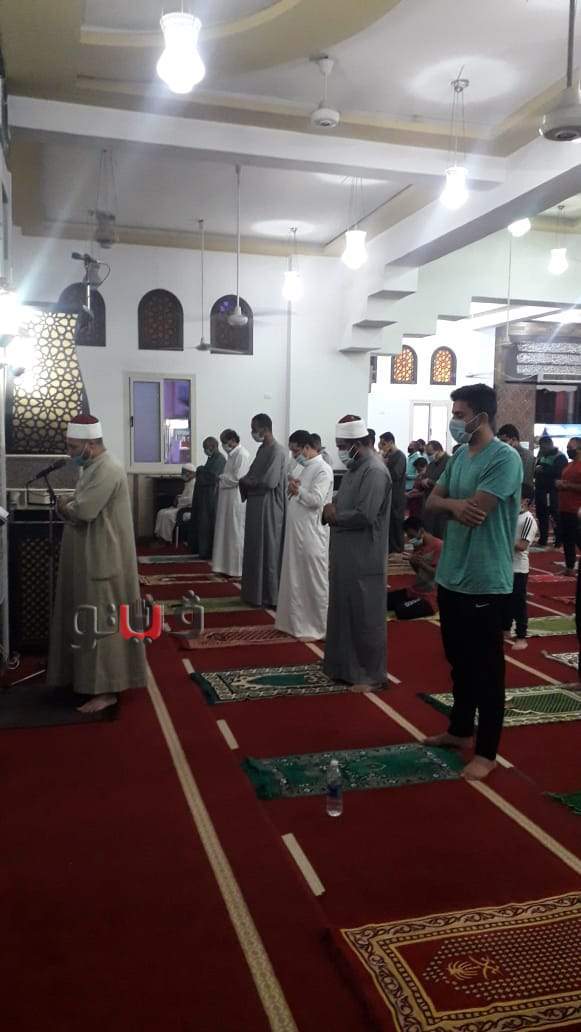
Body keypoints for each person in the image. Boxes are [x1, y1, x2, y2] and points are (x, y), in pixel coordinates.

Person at [425, 383, 522, 781]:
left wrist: (450, 505)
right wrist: (452, 504)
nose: (454, 421)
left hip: (485, 579)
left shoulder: (504, 458)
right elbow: (433, 503)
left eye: (460, 415)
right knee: (459, 662)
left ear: (481, 416)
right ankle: (460, 729)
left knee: (487, 671)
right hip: (451, 575)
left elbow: (477, 512)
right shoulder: (459, 457)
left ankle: (487, 752)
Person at [47, 414, 147, 713]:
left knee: (102, 626)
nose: (70, 452)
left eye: (73, 446)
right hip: (89, 555)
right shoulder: (92, 467)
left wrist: (66, 505)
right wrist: (70, 504)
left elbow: (85, 510)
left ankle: (107, 690)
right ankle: (83, 680)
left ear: (90, 445)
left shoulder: (108, 468)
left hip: (104, 559)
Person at [323, 415, 391, 689]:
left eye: (342, 445)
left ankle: (369, 675)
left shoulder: (374, 471)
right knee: (344, 612)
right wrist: (332, 505)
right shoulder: (355, 468)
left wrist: (334, 515)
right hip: (347, 554)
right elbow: (343, 500)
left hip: (365, 556)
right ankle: (344, 668)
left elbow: (365, 514)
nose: (340, 450)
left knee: (364, 617)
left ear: (357, 443)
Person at [275, 432, 333, 640]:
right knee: (294, 577)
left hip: (311, 533)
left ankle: (317, 626)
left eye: (296, 450)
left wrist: (297, 491)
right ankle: (294, 623)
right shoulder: (303, 466)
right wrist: (293, 488)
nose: (294, 455)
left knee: (313, 579)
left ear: (308, 447)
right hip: (296, 532)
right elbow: (293, 490)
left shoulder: (323, 469)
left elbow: (316, 500)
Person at [240, 413, 287, 607]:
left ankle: (269, 596)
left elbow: (270, 481)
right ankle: (254, 594)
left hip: (269, 506)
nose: (252, 432)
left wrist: (249, 482)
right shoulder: (262, 449)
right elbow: (251, 473)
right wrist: (246, 480)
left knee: (268, 549)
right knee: (254, 548)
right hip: (255, 504)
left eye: (254, 429)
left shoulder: (278, 451)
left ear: (265, 429)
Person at [211, 429, 250, 578]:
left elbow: (237, 478)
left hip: (235, 498)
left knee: (235, 533)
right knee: (224, 531)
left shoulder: (242, 455)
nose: (223, 446)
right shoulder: (232, 455)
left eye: (224, 442)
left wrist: (220, 478)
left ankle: (236, 569)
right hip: (226, 498)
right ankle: (224, 567)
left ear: (233, 440)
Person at [387, 517, 442, 619]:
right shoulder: (418, 546)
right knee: (385, 600)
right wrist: (413, 562)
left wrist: (421, 563)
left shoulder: (438, 547)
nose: (410, 540)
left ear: (421, 531)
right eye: (408, 536)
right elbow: (419, 573)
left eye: (412, 536)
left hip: (430, 597)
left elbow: (440, 576)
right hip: (414, 591)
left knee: (401, 610)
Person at [504, 485, 538, 651]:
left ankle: (521, 636)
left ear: (525, 501)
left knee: (518, 603)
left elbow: (522, 546)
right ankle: (505, 629)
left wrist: (501, 538)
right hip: (504, 565)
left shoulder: (528, 520)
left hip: (518, 568)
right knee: (504, 600)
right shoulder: (510, 515)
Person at [188, 437, 226, 558]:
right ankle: (200, 550)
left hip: (211, 497)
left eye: (206, 448)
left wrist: (200, 470)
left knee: (207, 525)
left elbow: (212, 477)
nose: (205, 450)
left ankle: (207, 552)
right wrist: (201, 470)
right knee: (201, 524)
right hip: (204, 496)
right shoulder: (211, 458)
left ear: (213, 447)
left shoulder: (220, 459)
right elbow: (205, 472)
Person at [534, 435, 567, 548]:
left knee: (554, 516)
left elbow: (558, 473)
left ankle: (559, 539)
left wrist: (542, 470)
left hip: (551, 492)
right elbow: (536, 470)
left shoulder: (560, 457)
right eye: (540, 447)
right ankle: (543, 539)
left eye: (543, 447)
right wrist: (540, 470)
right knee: (541, 515)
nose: (541, 449)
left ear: (550, 445)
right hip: (540, 491)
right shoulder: (542, 456)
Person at [556, 437, 581, 575]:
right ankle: (569, 567)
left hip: (576, 509)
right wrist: (560, 485)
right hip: (564, 507)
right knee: (567, 539)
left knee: (577, 538)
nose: (567, 450)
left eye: (570, 448)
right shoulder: (568, 466)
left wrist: (567, 485)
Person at [154, 463, 195, 543]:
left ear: (190, 473)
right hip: (182, 506)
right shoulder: (189, 482)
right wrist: (179, 497)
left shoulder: (194, 483)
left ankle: (165, 539)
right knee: (161, 512)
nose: (182, 474)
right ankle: (159, 536)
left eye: (184, 472)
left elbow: (190, 500)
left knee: (167, 515)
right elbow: (185, 496)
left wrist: (178, 500)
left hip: (187, 509)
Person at [379, 432, 406, 554]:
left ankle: (399, 550)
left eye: (384, 444)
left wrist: (384, 464)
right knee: (389, 524)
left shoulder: (400, 456)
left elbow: (395, 474)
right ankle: (391, 549)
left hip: (397, 496)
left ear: (390, 442)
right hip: (388, 495)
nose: (382, 446)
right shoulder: (388, 455)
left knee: (397, 524)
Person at [423, 441, 449, 537]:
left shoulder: (449, 463)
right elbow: (426, 476)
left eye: (430, 453)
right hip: (429, 502)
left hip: (442, 505)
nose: (429, 456)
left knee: (440, 533)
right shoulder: (432, 464)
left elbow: (449, 484)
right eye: (427, 454)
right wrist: (423, 481)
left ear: (438, 450)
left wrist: (431, 481)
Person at [497, 424, 535, 488]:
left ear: (514, 439)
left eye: (504, 441)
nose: (501, 445)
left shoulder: (526, 456)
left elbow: (523, 480)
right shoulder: (507, 454)